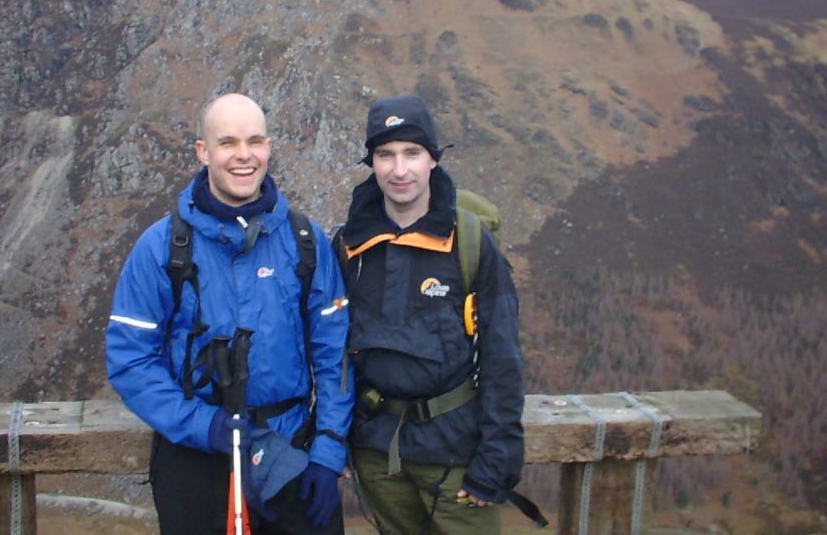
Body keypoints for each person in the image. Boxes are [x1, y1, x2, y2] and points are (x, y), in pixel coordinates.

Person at [106, 93, 353, 535]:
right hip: (195, 459)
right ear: (203, 151)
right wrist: (203, 425)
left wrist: (329, 452)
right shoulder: (161, 248)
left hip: (290, 453)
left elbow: (336, 354)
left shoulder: (304, 241)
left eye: (255, 141)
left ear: (269, 147)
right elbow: (130, 360)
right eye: (228, 143)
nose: (244, 156)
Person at [337, 95, 525, 535]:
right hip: (376, 455)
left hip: (455, 456)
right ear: (372, 163)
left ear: (433, 160)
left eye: (412, 153)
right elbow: (333, 354)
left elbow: (503, 359)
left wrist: (496, 460)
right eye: (385, 155)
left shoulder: (471, 243)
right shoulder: (349, 245)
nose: (399, 170)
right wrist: (333, 437)